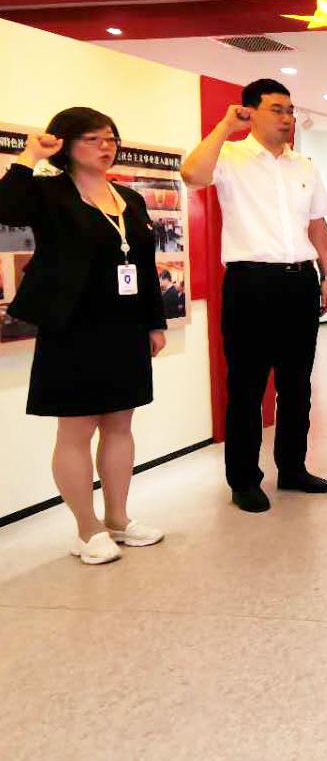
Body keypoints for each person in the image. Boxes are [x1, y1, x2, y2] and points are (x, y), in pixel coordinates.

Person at [0, 110, 167, 564]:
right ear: (66, 144)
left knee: (120, 425)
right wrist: (30, 155)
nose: (105, 146)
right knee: (76, 429)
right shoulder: (49, 192)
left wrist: (154, 323)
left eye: (110, 138)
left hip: (125, 326)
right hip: (71, 326)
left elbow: (144, 266)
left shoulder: (129, 199)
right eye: (92, 139)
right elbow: (5, 209)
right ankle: (86, 529)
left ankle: (118, 518)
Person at [180, 79, 327, 513]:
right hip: (251, 283)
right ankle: (244, 479)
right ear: (250, 111)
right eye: (277, 109)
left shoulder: (303, 165)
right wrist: (224, 126)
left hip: (300, 281)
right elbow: (192, 175)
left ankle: (293, 468)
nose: (287, 118)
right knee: (246, 386)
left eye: (290, 110)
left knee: (297, 384)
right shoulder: (229, 156)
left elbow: (317, 224)